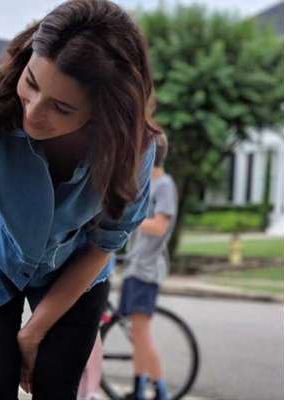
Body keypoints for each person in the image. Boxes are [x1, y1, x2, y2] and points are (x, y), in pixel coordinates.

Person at [0, 0, 162, 397]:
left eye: (61, 107)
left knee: (56, 388)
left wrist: (34, 330)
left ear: (104, 113)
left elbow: (103, 244)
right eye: (32, 83)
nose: (34, 113)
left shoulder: (133, 146)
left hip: (75, 269)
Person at [119, 133, 176, 400]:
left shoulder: (163, 185)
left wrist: (130, 219)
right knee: (137, 333)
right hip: (136, 266)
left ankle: (159, 389)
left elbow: (160, 225)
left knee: (141, 334)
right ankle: (139, 387)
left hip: (148, 268)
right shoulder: (145, 184)